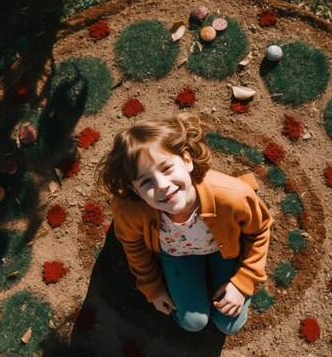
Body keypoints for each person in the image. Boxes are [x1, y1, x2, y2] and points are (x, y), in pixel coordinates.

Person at [98, 113, 273, 334]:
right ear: (135, 190)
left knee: (230, 325)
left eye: (167, 168)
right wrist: (152, 287)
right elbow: (134, 247)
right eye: (145, 181)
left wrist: (242, 282)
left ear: (187, 160)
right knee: (194, 323)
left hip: (225, 249)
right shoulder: (130, 213)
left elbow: (260, 230)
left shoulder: (233, 197)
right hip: (176, 253)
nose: (161, 185)